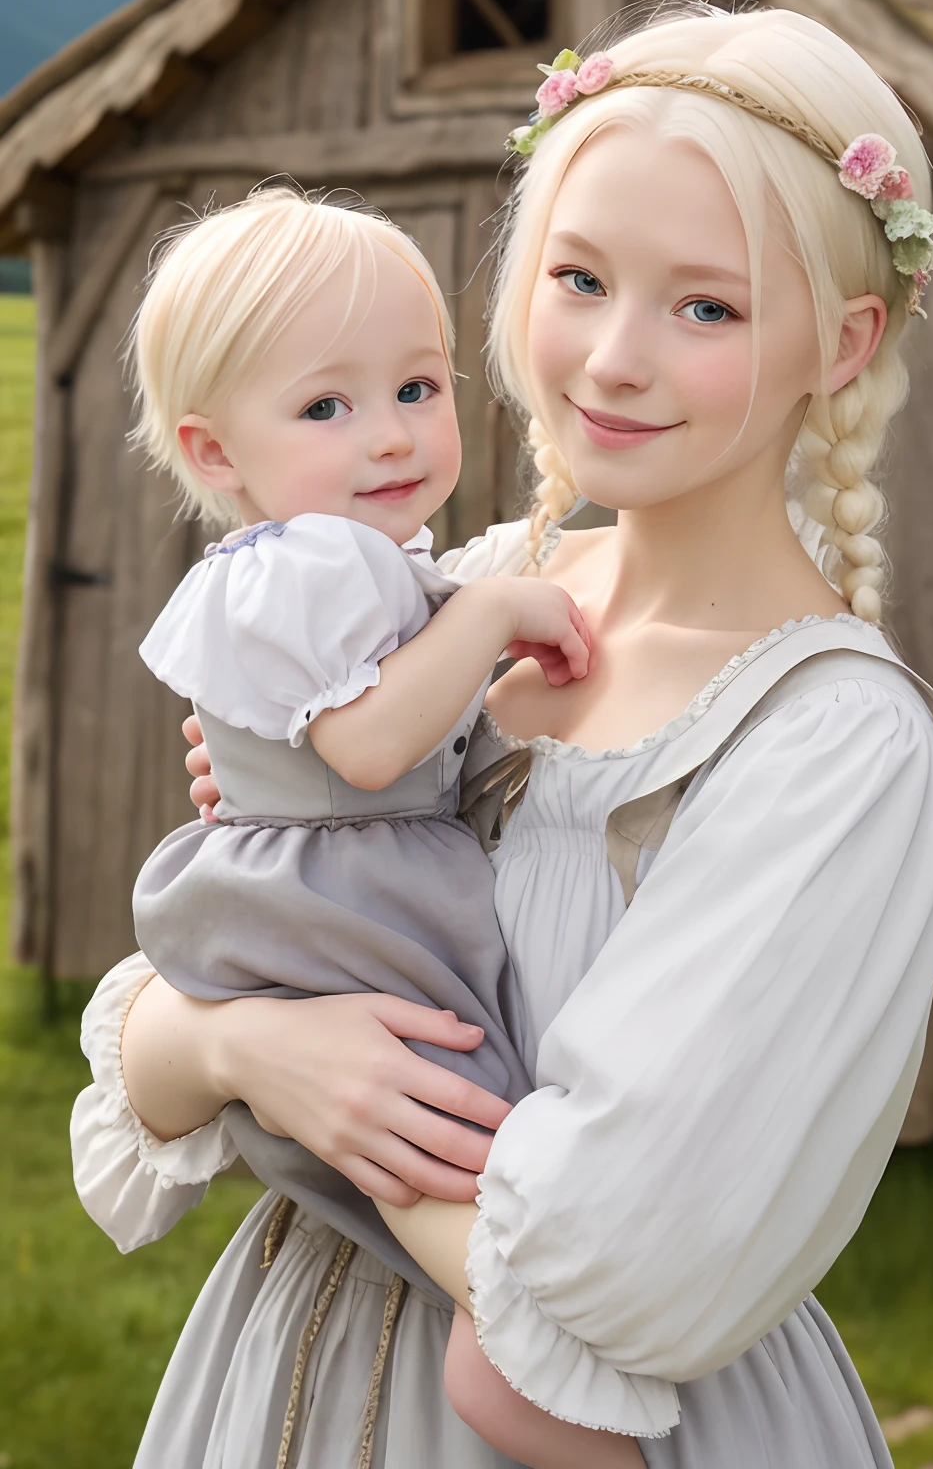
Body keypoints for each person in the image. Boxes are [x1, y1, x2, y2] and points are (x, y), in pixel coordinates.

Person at [72, 0, 933, 1469]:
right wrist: (256, 1044)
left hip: (598, 1410)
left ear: (843, 339)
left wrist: (285, 1080)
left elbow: (626, 1245)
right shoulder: (455, 600)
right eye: (580, 276)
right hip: (279, 1380)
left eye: (708, 306)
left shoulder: (829, 748)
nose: (615, 360)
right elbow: (173, 1003)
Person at [124, 185, 647, 1469]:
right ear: (212, 453)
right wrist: (484, 620)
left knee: (417, 1129)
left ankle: (504, 1338)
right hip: (345, 920)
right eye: (325, 408)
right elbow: (365, 744)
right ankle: (515, 1348)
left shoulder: (355, 557)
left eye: (416, 388)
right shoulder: (312, 562)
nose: (390, 439)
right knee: (444, 1122)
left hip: (329, 900)